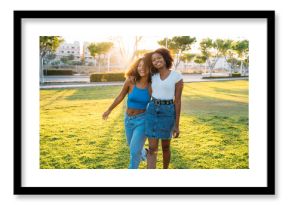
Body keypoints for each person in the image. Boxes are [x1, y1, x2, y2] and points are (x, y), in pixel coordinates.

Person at [102, 57, 151, 169]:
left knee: (134, 152)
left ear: (150, 68)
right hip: (128, 120)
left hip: (142, 120)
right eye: (139, 65)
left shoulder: (151, 86)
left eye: (144, 66)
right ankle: (145, 153)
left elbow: (157, 102)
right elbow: (120, 96)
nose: (141, 68)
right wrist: (109, 109)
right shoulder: (130, 81)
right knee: (132, 146)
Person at [144, 48, 183, 169]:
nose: (156, 61)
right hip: (152, 111)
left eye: (159, 58)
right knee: (152, 147)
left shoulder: (177, 76)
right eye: (154, 60)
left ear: (165, 58)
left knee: (166, 146)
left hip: (168, 112)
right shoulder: (152, 76)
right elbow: (150, 93)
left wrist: (176, 124)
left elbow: (177, 101)